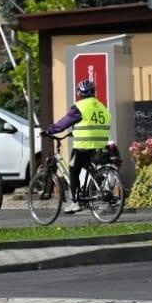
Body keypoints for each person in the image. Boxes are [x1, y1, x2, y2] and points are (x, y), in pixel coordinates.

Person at [44, 79, 110, 214]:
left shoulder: (79, 106)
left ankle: (75, 202)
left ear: (80, 93)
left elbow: (65, 122)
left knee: (73, 170)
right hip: (100, 143)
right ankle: (91, 190)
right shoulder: (102, 106)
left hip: (84, 144)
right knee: (86, 166)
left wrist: (50, 130)